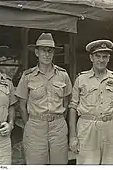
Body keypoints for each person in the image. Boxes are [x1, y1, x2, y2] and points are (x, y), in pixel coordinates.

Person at [15, 33, 72, 165]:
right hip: (35, 126)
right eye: (43, 51)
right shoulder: (28, 76)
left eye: (50, 51)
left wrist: (56, 118)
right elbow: (22, 105)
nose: (47, 54)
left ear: (53, 53)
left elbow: (66, 102)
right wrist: (30, 123)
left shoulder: (63, 75)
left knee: (60, 164)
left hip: (58, 126)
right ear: (36, 52)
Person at [69, 39, 113, 164]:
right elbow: (73, 108)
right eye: (97, 56)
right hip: (87, 127)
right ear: (91, 58)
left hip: (110, 127)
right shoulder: (81, 79)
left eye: (105, 57)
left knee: (109, 163)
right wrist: (73, 135)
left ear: (109, 58)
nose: (101, 60)